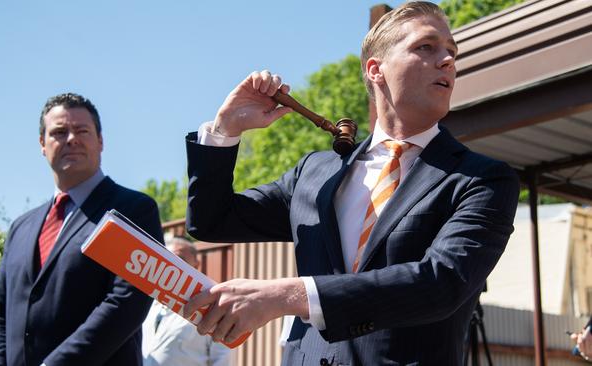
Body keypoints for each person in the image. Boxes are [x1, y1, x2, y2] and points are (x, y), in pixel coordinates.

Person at [183, 2, 520, 365]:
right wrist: (224, 130)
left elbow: (442, 282)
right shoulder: (314, 173)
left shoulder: (481, 179)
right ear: (376, 70)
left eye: (452, 52)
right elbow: (210, 220)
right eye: (426, 47)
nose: (448, 60)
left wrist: (285, 295)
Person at [0, 93, 163, 366]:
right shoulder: (20, 227)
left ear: (101, 141)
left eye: (82, 130)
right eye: (59, 132)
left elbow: (127, 301)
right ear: (42, 143)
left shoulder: (133, 210)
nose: (71, 139)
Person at [141, 236, 232, 366]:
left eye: (180, 259)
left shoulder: (211, 306)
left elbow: (222, 358)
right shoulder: (148, 302)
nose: (172, 264)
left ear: (196, 264)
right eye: (168, 258)